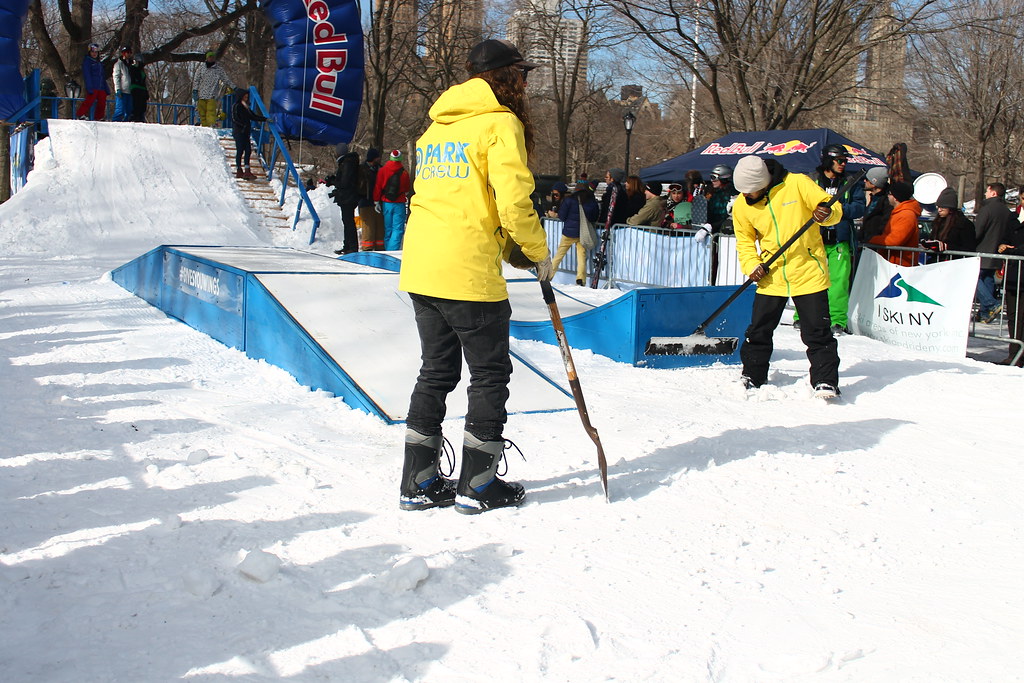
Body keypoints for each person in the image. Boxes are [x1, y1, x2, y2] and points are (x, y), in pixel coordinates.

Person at [398, 38, 551, 514]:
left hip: (423, 266)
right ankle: (479, 484)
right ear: (505, 77)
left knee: (436, 372)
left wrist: (512, 250)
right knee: (489, 375)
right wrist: (538, 253)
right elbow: (512, 202)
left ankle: (418, 481)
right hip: (466, 274)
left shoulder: (436, 131)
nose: (525, 83)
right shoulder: (500, 123)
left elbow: (466, 203)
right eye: (521, 75)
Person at [730, 154, 844, 399]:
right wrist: (752, 265)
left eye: (750, 192)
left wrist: (827, 214)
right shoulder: (742, 205)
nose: (746, 197)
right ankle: (753, 374)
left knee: (816, 331)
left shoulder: (797, 183)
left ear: (764, 183)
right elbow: (745, 243)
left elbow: (832, 207)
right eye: (743, 192)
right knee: (758, 330)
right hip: (772, 274)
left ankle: (825, 381)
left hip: (808, 270)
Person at [804, 144, 866, 334]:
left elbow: (859, 207)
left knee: (839, 282)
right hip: (815, 239)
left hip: (840, 240)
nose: (843, 164)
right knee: (809, 278)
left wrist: (836, 211)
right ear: (828, 161)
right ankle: (803, 316)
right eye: (840, 160)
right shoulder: (812, 180)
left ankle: (837, 320)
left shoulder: (851, 181)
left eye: (845, 161)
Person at [973, 182, 1017, 322]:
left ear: (993, 192)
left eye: (987, 190)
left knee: (975, 278)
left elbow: (977, 231)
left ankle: (991, 304)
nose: (985, 193)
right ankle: (985, 313)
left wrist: (971, 243)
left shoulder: (987, 209)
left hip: (982, 250)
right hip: (997, 252)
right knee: (988, 279)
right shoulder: (1007, 212)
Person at [554, 181, 599, 284]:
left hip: (568, 233)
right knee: (581, 256)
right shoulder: (591, 201)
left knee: (559, 255)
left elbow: (562, 216)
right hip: (582, 233)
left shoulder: (569, 200)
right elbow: (594, 217)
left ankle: (549, 275)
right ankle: (580, 279)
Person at [867, 181, 921, 266]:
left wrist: (872, 239)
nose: (888, 196)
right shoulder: (899, 212)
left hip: (900, 265)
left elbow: (895, 240)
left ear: (895, 197)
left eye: (890, 193)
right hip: (893, 262)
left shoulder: (906, 215)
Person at [997, 223, 1024, 366]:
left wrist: (1012, 251)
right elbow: (1005, 240)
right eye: (1021, 198)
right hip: (1014, 277)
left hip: (1020, 274)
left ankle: (1017, 355)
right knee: (1013, 317)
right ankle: (1014, 354)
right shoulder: (1013, 219)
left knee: (1020, 318)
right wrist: (1002, 245)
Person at [374, 149, 411, 250]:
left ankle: (387, 250)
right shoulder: (404, 173)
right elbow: (407, 188)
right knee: (397, 229)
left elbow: (378, 187)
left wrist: (376, 201)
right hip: (399, 203)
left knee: (388, 228)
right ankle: (393, 250)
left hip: (386, 202)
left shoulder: (383, 170)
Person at [328, 143, 360, 255]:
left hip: (348, 197)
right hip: (349, 196)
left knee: (348, 222)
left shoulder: (347, 163)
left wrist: (334, 181)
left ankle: (351, 246)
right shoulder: (349, 162)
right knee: (347, 221)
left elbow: (345, 182)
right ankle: (348, 245)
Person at [923, 188, 976, 254]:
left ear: (950, 208)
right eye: (938, 207)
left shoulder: (964, 224)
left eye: (942, 207)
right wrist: (929, 245)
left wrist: (946, 247)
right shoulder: (937, 222)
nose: (939, 210)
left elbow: (969, 248)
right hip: (936, 261)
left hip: (954, 262)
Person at [230, 88, 266, 179]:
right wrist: (242, 126)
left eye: (247, 97)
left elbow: (252, 116)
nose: (246, 99)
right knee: (240, 150)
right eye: (244, 97)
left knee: (248, 150)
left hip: (245, 132)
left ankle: (247, 170)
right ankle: (239, 170)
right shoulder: (236, 106)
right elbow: (235, 118)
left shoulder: (245, 106)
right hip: (239, 131)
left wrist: (264, 119)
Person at [194, 51, 235, 127]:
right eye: (209, 57)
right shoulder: (201, 68)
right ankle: (204, 127)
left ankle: (210, 127)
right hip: (201, 95)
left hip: (212, 95)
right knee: (202, 113)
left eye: (212, 57)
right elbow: (196, 80)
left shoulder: (218, 69)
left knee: (211, 112)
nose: (211, 59)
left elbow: (225, 79)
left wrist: (233, 87)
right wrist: (195, 90)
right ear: (207, 58)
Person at [358, 148, 384, 251]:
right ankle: (367, 248)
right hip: (365, 202)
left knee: (379, 227)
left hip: (378, 202)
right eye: (378, 157)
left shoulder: (380, 169)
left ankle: (380, 248)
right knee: (368, 227)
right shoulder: (361, 170)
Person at [76, 44, 108, 121]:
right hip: (93, 85)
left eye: (96, 52)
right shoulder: (87, 61)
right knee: (89, 100)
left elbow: (102, 76)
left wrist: (106, 87)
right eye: (92, 52)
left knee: (102, 102)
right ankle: (80, 114)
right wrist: (89, 86)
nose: (94, 54)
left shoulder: (99, 63)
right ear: (89, 52)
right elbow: (87, 75)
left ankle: (99, 117)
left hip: (101, 86)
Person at [861, 166, 891, 242]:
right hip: (868, 242)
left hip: (877, 244)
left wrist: (874, 239)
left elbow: (884, 224)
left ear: (873, 183)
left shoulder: (886, 201)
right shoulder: (874, 198)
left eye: (867, 180)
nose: (864, 181)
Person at [705, 164, 737, 232]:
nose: (712, 180)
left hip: (725, 229)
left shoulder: (731, 193)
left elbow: (726, 215)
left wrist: (712, 226)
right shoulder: (716, 193)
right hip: (715, 228)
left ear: (723, 178)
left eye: (713, 177)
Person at [112, 46, 133, 122]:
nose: (129, 54)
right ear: (123, 53)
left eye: (130, 52)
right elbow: (116, 77)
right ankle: (115, 123)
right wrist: (118, 89)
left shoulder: (131, 64)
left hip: (130, 91)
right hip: (122, 91)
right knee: (120, 110)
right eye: (127, 52)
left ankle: (126, 124)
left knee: (129, 111)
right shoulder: (119, 64)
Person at [128, 55, 149, 123]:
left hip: (142, 89)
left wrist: (146, 91)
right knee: (136, 104)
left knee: (143, 106)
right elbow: (133, 77)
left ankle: (141, 117)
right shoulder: (132, 68)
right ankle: (134, 117)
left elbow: (143, 81)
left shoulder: (141, 70)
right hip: (135, 88)